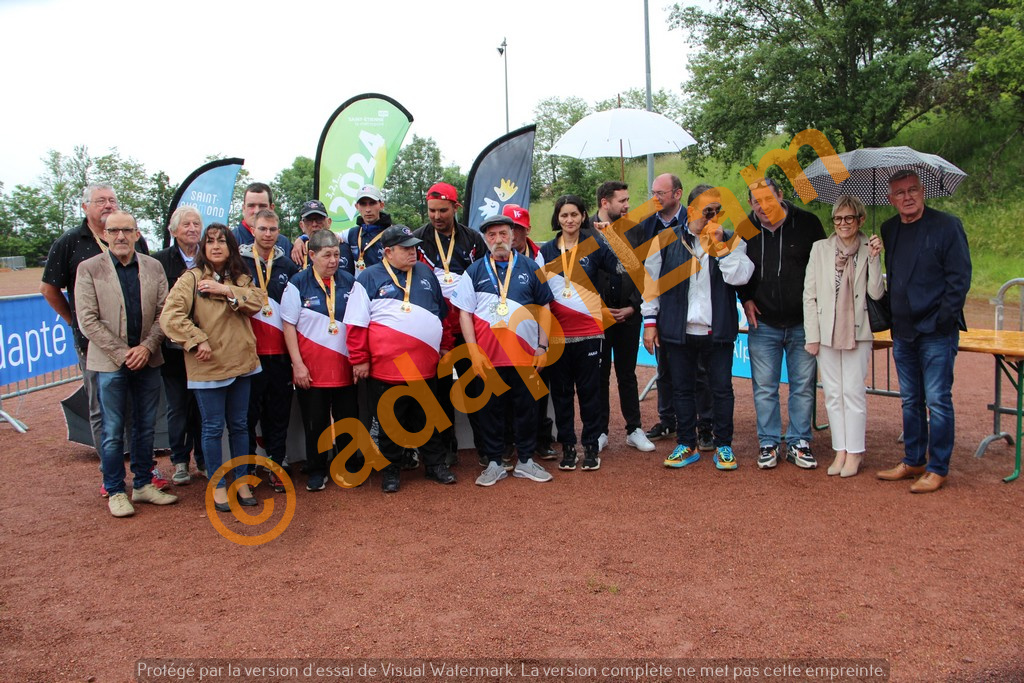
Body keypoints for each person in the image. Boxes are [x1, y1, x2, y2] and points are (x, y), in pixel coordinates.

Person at [642, 185, 754, 470]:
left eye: (718, 211)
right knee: (681, 389)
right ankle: (686, 443)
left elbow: (741, 278)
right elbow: (651, 285)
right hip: (678, 329)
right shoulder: (666, 240)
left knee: (721, 389)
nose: (714, 216)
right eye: (708, 211)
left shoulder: (731, 239)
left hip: (717, 330)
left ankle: (724, 445)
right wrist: (650, 323)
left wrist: (722, 248)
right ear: (691, 210)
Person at [75, 211, 178, 517]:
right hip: (109, 364)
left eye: (126, 230)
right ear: (105, 235)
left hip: (148, 359)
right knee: (112, 429)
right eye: (114, 230)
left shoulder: (153, 267)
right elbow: (87, 320)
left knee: (146, 427)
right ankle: (116, 489)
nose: (120, 236)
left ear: (136, 234)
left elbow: (165, 312)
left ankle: (144, 484)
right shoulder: (89, 269)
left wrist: (146, 348)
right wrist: (124, 353)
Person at [160, 224, 266, 512]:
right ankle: (218, 484)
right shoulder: (190, 279)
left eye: (222, 241)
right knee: (212, 428)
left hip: (242, 363)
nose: (216, 246)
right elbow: (170, 317)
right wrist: (196, 340)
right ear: (203, 248)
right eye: (210, 241)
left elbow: (257, 302)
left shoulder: (241, 278)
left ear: (231, 247)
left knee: (240, 426)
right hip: (208, 367)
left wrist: (224, 289)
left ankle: (242, 480)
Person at [877, 170, 971, 493]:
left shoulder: (947, 226)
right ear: (891, 199)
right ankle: (914, 459)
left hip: (936, 331)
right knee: (910, 400)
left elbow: (959, 279)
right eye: (900, 192)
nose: (907, 197)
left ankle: (937, 467)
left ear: (924, 192)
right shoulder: (889, 229)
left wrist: (942, 321)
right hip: (902, 331)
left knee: (938, 400)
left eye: (913, 190)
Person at [343, 225, 457, 493]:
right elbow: (356, 324)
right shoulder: (368, 278)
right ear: (388, 252)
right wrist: (359, 359)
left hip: (424, 367)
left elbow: (441, 314)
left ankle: (435, 465)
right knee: (388, 422)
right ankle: (390, 469)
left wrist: (445, 345)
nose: (412, 252)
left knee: (428, 418)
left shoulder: (426, 273)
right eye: (405, 248)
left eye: (414, 247)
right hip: (385, 369)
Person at [40, 183, 150, 459]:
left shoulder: (136, 239)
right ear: (85, 207)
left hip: (136, 345)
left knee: (137, 408)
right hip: (94, 345)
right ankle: (111, 475)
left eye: (112, 200)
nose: (108, 205)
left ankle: (142, 472)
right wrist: (74, 321)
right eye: (100, 200)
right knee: (102, 410)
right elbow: (49, 288)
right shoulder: (70, 242)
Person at [452, 214, 556, 486]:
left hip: (525, 356)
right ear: (485, 239)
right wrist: (473, 352)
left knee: (527, 409)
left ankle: (525, 461)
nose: (498, 240)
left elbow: (545, 308)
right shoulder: (473, 271)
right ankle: (495, 463)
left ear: (513, 236)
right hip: (487, 358)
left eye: (503, 234)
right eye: (492, 235)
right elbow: (464, 314)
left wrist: (543, 345)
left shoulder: (532, 268)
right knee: (490, 411)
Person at [738, 177, 826, 470]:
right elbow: (736, 269)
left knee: (802, 386)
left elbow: (823, 268)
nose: (763, 206)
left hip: (804, 323)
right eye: (756, 201)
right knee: (765, 387)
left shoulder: (809, 223)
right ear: (750, 203)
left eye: (768, 199)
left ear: (781, 195)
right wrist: (745, 297)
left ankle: (800, 442)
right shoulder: (744, 229)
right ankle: (769, 442)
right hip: (763, 323)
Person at [537, 195, 621, 472]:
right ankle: (569, 447)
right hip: (558, 335)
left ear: (583, 216)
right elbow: (538, 294)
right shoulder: (546, 251)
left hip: (589, 332)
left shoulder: (594, 244)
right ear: (557, 219)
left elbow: (626, 267)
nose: (569, 220)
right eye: (564, 216)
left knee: (589, 393)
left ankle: (592, 446)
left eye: (574, 214)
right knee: (561, 394)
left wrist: (611, 237)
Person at [802, 195, 884, 477]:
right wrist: (812, 335)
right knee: (833, 394)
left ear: (860, 219)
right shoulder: (820, 249)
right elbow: (809, 295)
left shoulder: (868, 247)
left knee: (853, 392)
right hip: (826, 332)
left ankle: (856, 452)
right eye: (838, 218)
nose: (843, 224)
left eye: (849, 218)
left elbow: (876, 293)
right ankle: (841, 450)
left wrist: (875, 260)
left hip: (857, 331)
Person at [414, 182, 487, 464]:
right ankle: (446, 451)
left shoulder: (473, 239)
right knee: (441, 393)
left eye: (443, 210)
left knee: (475, 389)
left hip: (468, 329)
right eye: (432, 210)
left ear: (455, 208)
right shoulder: (418, 239)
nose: (436, 216)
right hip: (436, 332)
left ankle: (487, 448)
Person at [281, 230, 358, 492]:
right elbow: (288, 326)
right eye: (327, 255)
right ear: (312, 255)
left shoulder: (349, 280)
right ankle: (316, 469)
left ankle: (347, 465)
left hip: (345, 366)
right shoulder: (297, 283)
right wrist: (297, 364)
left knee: (348, 419)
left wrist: (359, 359)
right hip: (312, 369)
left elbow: (359, 323)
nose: (333, 260)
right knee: (316, 422)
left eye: (336, 254)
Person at [592, 181, 655, 453]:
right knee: (599, 375)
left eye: (628, 199)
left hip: (629, 315)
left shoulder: (636, 230)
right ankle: (599, 431)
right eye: (622, 200)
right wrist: (600, 310)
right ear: (605, 203)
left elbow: (645, 273)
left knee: (627, 374)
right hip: (598, 319)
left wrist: (633, 306)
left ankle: (634, 429)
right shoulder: (586, 232)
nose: (627, 205)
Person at [240, 209, 299, 493]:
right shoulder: (238, 263)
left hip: (279, 354)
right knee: (247, 417)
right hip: (248, 354)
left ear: (279, 231)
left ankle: (276, 464)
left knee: (278, 414)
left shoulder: (288, 265)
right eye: (262, 228)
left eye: (273, 229)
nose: (267, 234)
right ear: (252, 228)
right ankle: (247, 469)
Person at [153, 206, 206, 484]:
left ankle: (204, 460)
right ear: (173, 231)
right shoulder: (159, 261)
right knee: (177, 407)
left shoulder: (209, 258)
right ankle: (180, 461)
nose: (192, 228)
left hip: (204, 348)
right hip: (173, 351)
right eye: (186, 224)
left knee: (203, 406)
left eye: (196, 223)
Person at [504, 203, 556, 460]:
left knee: (537, 387)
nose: (512, 234)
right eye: (508, 228)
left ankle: (541, 439)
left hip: (536, 331)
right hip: (505, 334)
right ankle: (509, 442)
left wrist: (542, 341)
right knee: (507, 391)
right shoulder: (493, 257)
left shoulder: (541, 256)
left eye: (518, 228)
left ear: (527, 229)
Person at [637, 174, 685, 442]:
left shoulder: (693, 220)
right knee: (664, 368)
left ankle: (702, 423)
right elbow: (640, 267)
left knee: (699, 371)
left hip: (692, 306)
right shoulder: (646, 224)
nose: (654, 198)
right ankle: (668, 420)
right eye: (652, 192)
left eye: (660, 193)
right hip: (661, 306)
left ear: (677, 194)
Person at [231, 182, 294, 255]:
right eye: (251, 206)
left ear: (271, 208)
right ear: (243, 208)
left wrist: (302, 239)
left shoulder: (284, 243)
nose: (257, 211)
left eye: (262, 206)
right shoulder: (229, 241)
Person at [342, 185, 393, 273]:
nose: (368, 209)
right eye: (363, 204)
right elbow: (326, 237)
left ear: (381, 205)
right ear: (357, 206)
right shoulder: (352, 233)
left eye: (372, 203)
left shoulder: (394, 233)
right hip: (360, 285)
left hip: (385, 285)